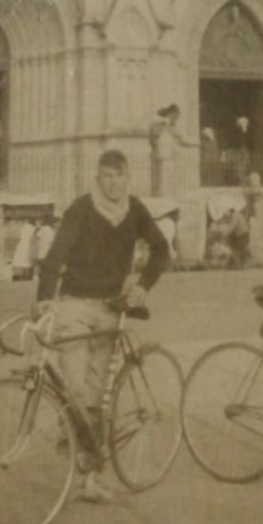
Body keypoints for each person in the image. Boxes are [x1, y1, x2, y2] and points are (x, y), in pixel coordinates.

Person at [35, 149, 170, 503]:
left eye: (119, 176)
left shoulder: (135, 210)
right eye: (106, 176)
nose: (113, 183)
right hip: (75, 307)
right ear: (98, 178)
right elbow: (55, 257)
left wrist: (143, 286)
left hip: (112, 310)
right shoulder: (81, 208)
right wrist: (44, 298)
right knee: (74, 389)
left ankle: (89, 479)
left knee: (95, 395)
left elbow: (161, 249)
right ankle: (80, 453)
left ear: (128, 178)